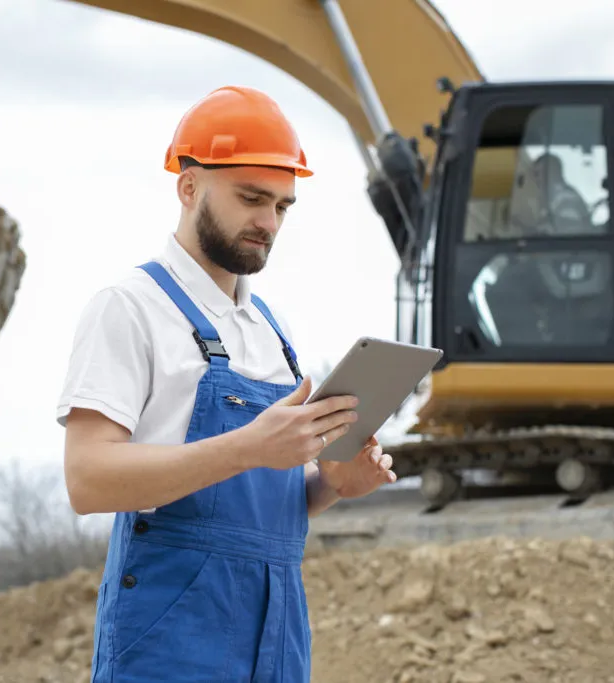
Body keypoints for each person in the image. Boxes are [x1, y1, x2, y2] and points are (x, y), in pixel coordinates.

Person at [56, 85, 396, 683]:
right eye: (251, 198)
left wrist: (332, 485)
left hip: (277, 631)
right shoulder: (129, 308)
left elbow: (254, 511)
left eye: (283, 207)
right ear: (189, 186)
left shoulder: (271, 329)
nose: (268, 223)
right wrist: (249, 446)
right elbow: (87, 479)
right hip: (172, 635)